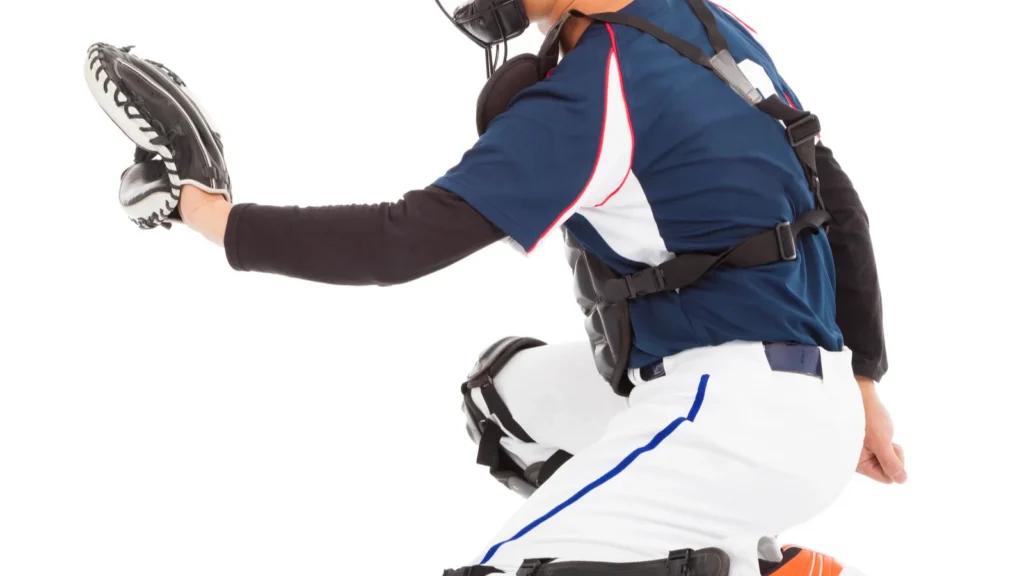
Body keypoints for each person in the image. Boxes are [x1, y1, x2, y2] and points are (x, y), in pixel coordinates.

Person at [88, 0, 904, 574]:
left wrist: (211, 215)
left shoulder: (597, 89)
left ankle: (739, 564)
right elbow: (838, 202)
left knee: (510, 570)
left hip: (740, 416)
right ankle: (701, 537)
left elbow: (396, 243)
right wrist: (860, 381)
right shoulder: (713, 25)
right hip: (799, 391)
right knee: (502, 399)